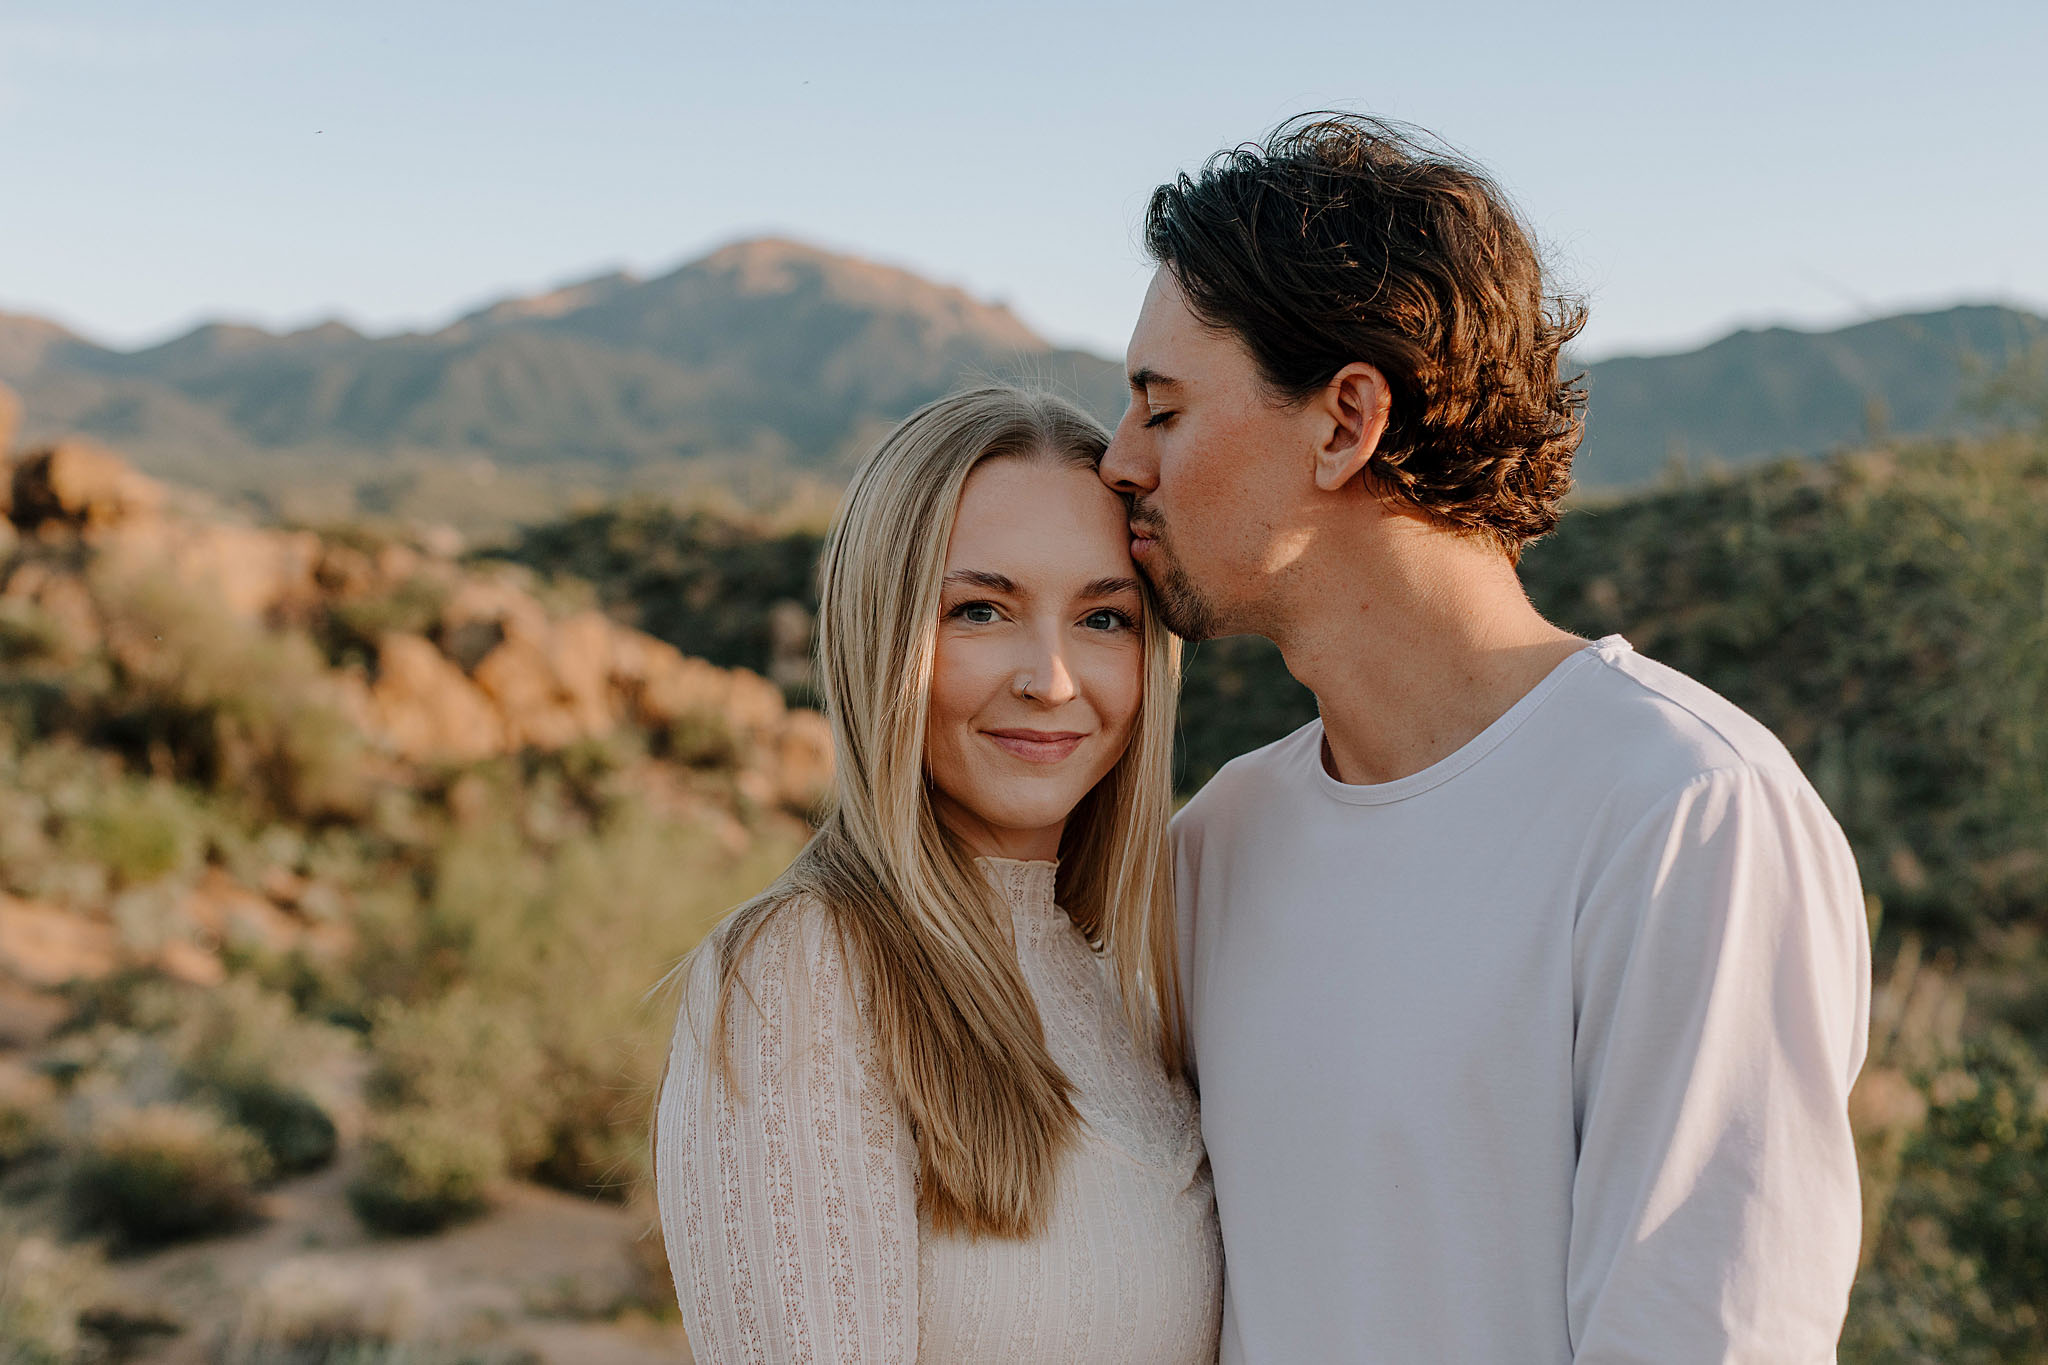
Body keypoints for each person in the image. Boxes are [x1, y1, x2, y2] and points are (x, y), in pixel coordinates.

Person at [1098, 115, 1872, 1363]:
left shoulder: (1683, 817)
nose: (1118, 462)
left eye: (1161, 408)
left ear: (1342, 421)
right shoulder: (1217, 843)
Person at [653, 386, 1223, 1362]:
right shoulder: (801, 974)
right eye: (979, 610)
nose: (1049, 679)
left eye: (1102, 619)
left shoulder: (1127, 974)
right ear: (881, 636)